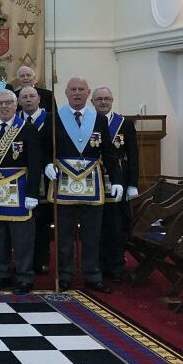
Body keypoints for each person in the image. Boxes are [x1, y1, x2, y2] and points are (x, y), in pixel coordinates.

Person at [45, 77, 123, 293]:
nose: (77, 93)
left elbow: (108, 152)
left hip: (92, 185)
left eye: (81, 89)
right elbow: (44, 148)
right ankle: (65, 274)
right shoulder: (54, 118)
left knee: (92, 234)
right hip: (63, 184)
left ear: (88, 93)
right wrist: (46, 165)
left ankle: (92, 275)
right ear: (66, 93)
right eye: (73, 89)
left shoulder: (97, 119)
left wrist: (117, 180)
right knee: (64, 235)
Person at [0, 90, 42, 295]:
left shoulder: (27, 129)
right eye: (0, 103)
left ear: (16, 105)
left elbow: (35, 162)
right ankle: (1, 275)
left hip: (19, 189)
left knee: (22, 237)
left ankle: (24, 277)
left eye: (8, 103)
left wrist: (32, 193)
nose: (4, 107)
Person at [91, 86, 139, 282]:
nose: (103, 102)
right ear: (92, 102)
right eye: (99, 99)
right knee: (98, 226)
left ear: (112, 101)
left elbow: (133, 155)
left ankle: (117, 265)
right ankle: (98, 266)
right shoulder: (88, 122)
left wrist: (132, 184)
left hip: (119, 181)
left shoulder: (125, 124)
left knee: (117, 226)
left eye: (107, 99)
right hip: (95, 181)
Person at [18, 86, 54, 275]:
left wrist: (49, 162)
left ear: (39, 99)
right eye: (24, 97)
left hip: (46, 176)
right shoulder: (15, 120)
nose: (28, 100)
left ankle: (41, 260)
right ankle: (23, 260)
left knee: (42, 221)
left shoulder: (51, 119)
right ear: (19, 101)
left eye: (32, 96)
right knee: (22, 222)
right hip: (21, 177)